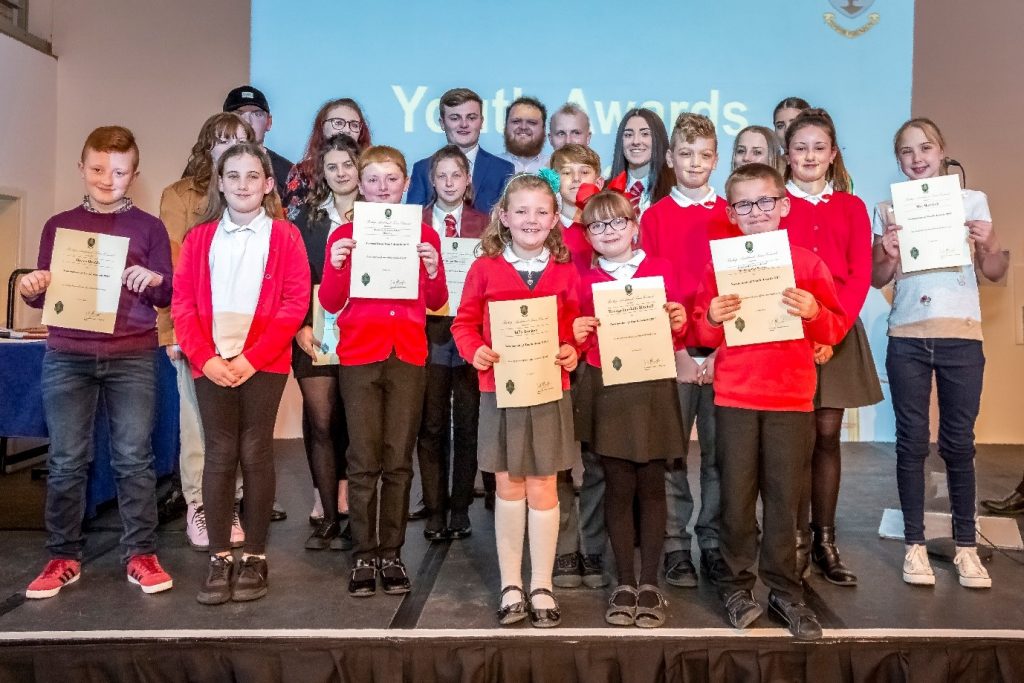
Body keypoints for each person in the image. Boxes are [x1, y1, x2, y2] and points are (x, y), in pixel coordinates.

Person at [22, 126, 174, 599]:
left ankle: (141, 554)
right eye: (98, 169)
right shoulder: (58, 225)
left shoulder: (150, 227)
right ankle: (62, 556)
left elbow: (169, 293)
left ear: (135, 172)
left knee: (133, 458)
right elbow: (43, 298)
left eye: (120, 171)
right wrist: (34, 285)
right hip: (67, 355)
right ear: (81, 167)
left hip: (132, 355)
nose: (108, 179)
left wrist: (153, 280)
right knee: (67, 460)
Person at [696, 162, 846, 640]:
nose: (756, 212)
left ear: (783, 205)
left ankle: (785, 588)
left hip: (791, 400)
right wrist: (712, 318)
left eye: (765, 202)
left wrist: (815, 310)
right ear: (732, 213)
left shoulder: (806, 264)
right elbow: (698, 331)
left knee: (786, 499)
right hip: (736, 397)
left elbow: (833, 328)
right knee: (736, 497)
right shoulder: (717, 265)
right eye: (744, 204)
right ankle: (737, 583)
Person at [872, 117, 1008, 588]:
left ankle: (967, 547)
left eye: (925, 148)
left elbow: (994, 270)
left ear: (943, 151)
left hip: (961, 336)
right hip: (907, 336)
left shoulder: (972, 202)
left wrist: (989, 243)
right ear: (898, 160)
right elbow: (877, 277)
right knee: (911, 442)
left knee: (958, 444)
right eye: (906, 152)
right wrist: (888, 251)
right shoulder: (889, 208)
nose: (917, 158)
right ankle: (914, 546)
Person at [173, 142, 309, 604]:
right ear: (220, 182)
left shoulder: (285, 236)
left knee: (255, 452)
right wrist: (205, 358)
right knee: (218, 454)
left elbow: (294, 305)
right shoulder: (199, 238)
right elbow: (184, 305)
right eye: (233, 176)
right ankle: (220, 556)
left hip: (263, 361)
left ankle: (254, 555)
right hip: (209, 361)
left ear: (269, 184)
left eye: (253, 177)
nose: (243, 185)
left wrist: (252, 358)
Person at [451, 171, 581, 628]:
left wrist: (572, 349)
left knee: (544, 486)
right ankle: (511, 584)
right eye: (521, 211)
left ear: (554, 219)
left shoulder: (566, 270)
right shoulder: (484, 267)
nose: (531, 219)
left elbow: (579, 326)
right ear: (503, 216)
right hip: (499, 394)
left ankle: (541, 584)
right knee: (507, 486)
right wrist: (475, 350)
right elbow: (462, 324)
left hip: (548, 393)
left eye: (541, 211)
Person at [319, 145, 447, 598]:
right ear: (359, 183)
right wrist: (336, 266)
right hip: (359, 355)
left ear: (405, 184)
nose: (382, 188)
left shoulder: (425, 235)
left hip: (408, 355)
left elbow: (435, 301)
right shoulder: (343, 237)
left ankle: (391, 552)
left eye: (391, 179)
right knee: (362, 460)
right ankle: (363, 554)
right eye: (372, 180)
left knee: (397, 458)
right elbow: (332, 303)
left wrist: (432, 269)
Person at [573, 188, 688, 627]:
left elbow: (675, 334)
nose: (609, 231)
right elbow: (575, 336)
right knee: (618, 487)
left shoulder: (660, 271)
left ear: (634, 226)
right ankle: (623, 581)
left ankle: (651, 585)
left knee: (653, 486)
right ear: (588, 235)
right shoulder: (584, 280)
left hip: (653, 385)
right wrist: (578, 330)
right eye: (598, 225)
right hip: (609, 386)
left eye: (617, 222)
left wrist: (678, 323)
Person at [784, 109, 882, 586]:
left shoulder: (851, 206)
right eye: (800, 147)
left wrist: (829, 332)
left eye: (818, 147)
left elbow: (860, 274)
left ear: (833, 154)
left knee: (826, 438)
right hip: (786, 337)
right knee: (793, 442)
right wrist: (806, 333)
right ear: (787, 153)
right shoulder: (775, 204)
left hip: (837, 334)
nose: (809, 155)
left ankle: (825, 540)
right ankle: (793, 541)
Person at [640, 113, 735, 590]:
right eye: (684, 154)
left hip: (726, 356)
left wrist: (719, 353)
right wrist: (677, 349)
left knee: (719, 457)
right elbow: (651, 289)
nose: (694, 164)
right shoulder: (652, 218)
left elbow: (741, 290)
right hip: (670, 354)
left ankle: (712, 542)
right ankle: (676, 545)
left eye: (704, 155)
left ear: (716, 160)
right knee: (672, 456)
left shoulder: (732, 216)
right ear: (670, 159)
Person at [160, 112, 254, 550]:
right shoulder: (180, 196)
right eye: (221, 140)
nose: (229, 146)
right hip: (197, 330)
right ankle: (200, 503)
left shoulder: (257, 195)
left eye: (239, 139)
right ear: (206, 147)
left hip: (248, 334)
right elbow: (175, 269)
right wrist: (174, 333)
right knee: (198, 426)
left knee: (238, 428)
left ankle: (230, 501)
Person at [292, 134, 361, 550]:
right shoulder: (304, 220)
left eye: (348, 165)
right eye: (332, 166)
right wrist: (300, 324)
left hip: (361, 332)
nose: (340, 173)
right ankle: (329, 520)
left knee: (354, 424)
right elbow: (294, 279)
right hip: (313, 332)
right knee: (320, 423)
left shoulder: (380, 218)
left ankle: (353, 513)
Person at [417, 145, 488, 541]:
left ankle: (460, 508)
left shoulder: (487, 223)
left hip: (470, 331)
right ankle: (434, 508)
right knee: (430, 425)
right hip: (427, 333)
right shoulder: (416, 222)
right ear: (432, 180)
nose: (448, 182)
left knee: (467, 422)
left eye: (455, 175)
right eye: (441, 176)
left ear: (467, 181)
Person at [547, 145, 608, 588]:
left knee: (600, 457)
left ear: (598, 179)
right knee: (562, 459)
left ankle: (595, 544)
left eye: (583, 170)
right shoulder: (546, 234)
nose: (574, 178)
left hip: (607, 357)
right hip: (560, 357)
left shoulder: (610, 228)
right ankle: (565, 548)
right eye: (564, 172)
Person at [407, 87, 514, 215]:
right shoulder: (422, 168)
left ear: (481, 122)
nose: (464, 124)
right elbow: (413, 223)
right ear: (442, 123)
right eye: (455, 118)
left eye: (471, 118)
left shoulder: (503, 170)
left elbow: (506, 223)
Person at [284, 98, 371, 218]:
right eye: (338, 123)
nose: (347, 130)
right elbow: (290, 222)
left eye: (354, 125)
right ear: (322, 126)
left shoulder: (371, 169)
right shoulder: (303, 172)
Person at [223, 85, 293, 200]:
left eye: (257, 114)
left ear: (269, 122)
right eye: (238, 114)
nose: (247, 121)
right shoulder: (205, 167)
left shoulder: (287, 172)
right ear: (224, 122)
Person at [608, 108, 674, 218]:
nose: (636, 141)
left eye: (645, 134)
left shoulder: (675, 193)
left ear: (658, 139)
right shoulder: (604, 192)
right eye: (628, 135)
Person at [500, 96, 550, 173]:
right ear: (505, 126)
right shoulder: (489, 166)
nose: (523, 127)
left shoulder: (555, 167)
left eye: (532, 122)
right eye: (516, 121)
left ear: (544, 129)